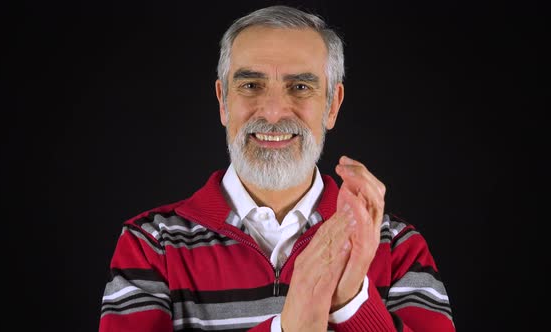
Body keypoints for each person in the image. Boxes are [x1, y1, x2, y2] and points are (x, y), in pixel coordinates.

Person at [99, 5, 455, 332]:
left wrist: (351, 302)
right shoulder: (150, 244)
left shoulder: (396, 247)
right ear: (224, 101)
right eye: (251, 85)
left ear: (332, 106)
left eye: (300, 87)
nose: (272, 112)